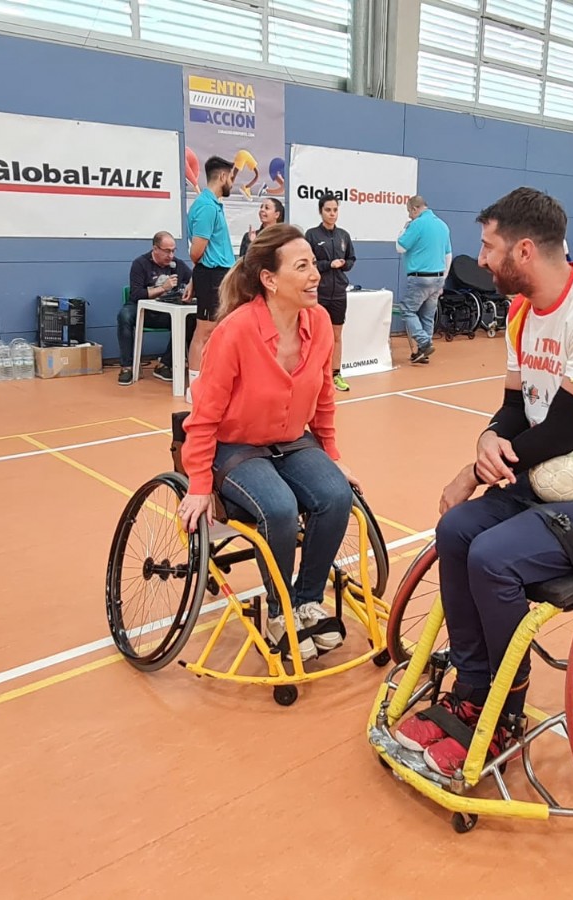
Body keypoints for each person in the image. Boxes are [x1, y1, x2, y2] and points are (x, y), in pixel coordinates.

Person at [394, 187, 573, 777]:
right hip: (548, 478)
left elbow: (565, 430)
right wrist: (488, 439)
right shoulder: (521, 311)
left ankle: (504, 712)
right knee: (457, 528)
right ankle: (471, 690)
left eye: (489, 248)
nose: (481, 259)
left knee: (493, 557)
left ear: (523, 250)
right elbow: (518, 412)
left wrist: (474, 470)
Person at [177, 224, 361, 661]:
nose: (315, 274)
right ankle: (279, 613)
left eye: (314, 264)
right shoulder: (235, 331)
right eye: (302, 266)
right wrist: (199, 483)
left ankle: (307, 601)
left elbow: (324, 398)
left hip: (292, 440)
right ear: (270, 279)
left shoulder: (317, 321)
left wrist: (332, 457)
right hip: (236, 445)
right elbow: (202, 416)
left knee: (337, 496)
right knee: (278, 507)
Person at [185, 156, 236, 403]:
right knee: (204, 331)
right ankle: (194, 388)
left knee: (217, 332)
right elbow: (196, 252)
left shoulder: (214, 205)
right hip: (212, 276)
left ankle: (211, 380)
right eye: (232, 178)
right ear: (223, 177)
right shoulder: (205, 207)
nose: (233, 184)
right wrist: (198, 279)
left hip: (220, 275)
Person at [116, 231, 193, 386]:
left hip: (166, 310)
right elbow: (136, 294)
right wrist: (162, 288)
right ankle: (127, 367)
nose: (170, 255)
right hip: (142, 309)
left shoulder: (177, 265)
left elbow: (193, 279)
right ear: (155, 249)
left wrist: (191, 286)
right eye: (166, 251)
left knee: (191, 319)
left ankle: (165, 364)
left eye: (173, 251)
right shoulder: (140, 264)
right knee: (124, 316)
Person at [305, 194, 357, 392]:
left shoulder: (343, 235)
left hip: (339, 294)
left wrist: (344, 265)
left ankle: (335, 374)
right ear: (321, 211)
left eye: (335, 210)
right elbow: (308, 263)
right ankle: (312, 375)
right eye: (328, 210)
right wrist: (328, 264)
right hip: (318, 293)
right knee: (313, 335)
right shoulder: (311, 235)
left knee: (336, 335)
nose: (332, 213)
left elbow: (352, 258)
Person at [396, 195, 452, 364]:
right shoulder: (443, 225)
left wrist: (404, 230)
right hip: (438, 278)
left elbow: (400, 247)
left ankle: (424, 342)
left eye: (409, 212)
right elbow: (448, 255)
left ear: (415, 208)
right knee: (427, 316)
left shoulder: (416, 224)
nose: (409, 216)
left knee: (407, 310)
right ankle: (423, 352)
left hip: (420, 278)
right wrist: (443, 279)